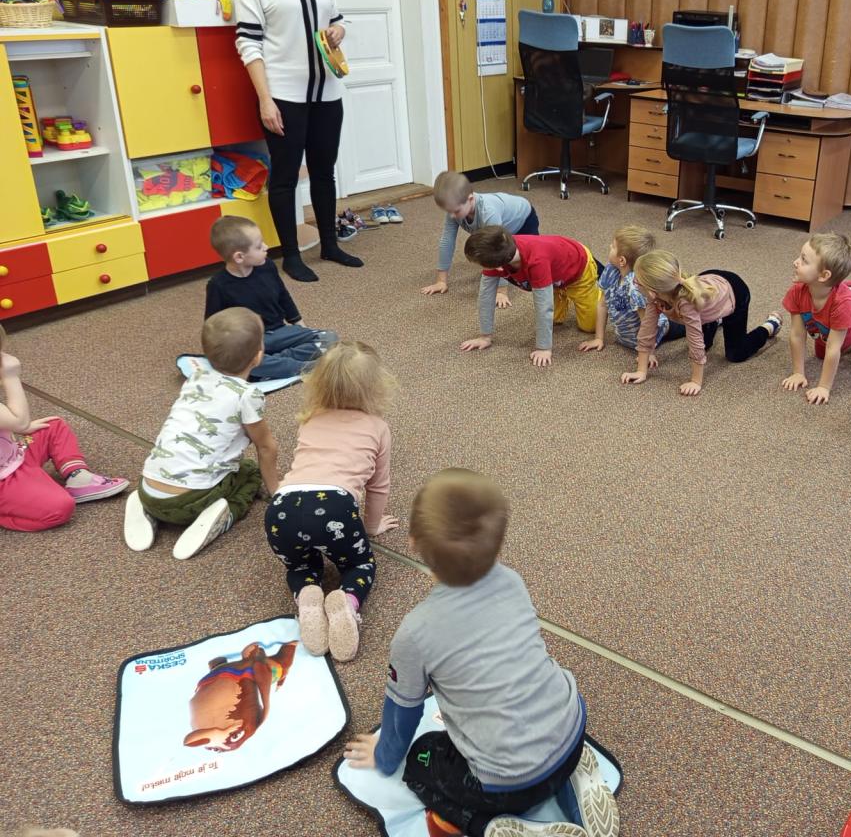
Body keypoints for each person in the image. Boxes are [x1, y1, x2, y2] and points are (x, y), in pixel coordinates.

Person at [343, 469, 619, 837]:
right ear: (499, 546)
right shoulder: (513, 581)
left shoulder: (415, 633)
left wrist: (385, 756)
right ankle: (574, 782)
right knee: (543, 752)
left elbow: (402, 714)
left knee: (421, 760)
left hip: (508, 786)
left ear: (412, 543)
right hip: (571, 733)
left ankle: (491, 826)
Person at [234, 0, 360, 282]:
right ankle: (290, 255)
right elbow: (248, 43)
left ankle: (330, 245)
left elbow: (336, 19)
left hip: (327, 93)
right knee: (286, 176)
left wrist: (339, 30)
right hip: (284, 96)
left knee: (324, 171)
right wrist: (265, 100)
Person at [268, 341, 397, 661]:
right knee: (359, 564)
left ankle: (306, 595)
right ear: (376, 387)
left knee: (300, 565)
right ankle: (348, 600)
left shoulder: (310, 418)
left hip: (282, 507)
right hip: (335, 508)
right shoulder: (378, 427)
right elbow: (378, 486)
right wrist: (372, 526)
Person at [125, 308, 279, 559]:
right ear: (258, 356)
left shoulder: (195, 377)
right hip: (193, 501)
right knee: (250, 471)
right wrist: (276, 491)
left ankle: (146, 509)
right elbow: (265, 446)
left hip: (147, 488)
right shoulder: (247, 395)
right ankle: (224, 514)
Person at [0, 323, 128, 532]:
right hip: (5, 482)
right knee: (61, 508)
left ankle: (78, 477)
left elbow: (16, 422)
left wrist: (19, 426)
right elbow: (19, 421)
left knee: (52, 426)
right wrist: (11, 377)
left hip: (14, 455)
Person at [626, 250, 781, 396]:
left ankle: (770, 325)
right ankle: (714, 319)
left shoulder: (686, 303)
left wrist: (696, 381)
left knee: (736, 354)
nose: (634, 283)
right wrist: (641, 371)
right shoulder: (655, 298)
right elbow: (647, 330)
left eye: (637, 281)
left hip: (735, 291)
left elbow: (695, 342)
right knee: (705, 342)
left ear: (652, 291)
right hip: (708, 290)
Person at [204, 216, 337, 381]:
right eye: (259, 246)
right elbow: (213, 326)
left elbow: (283, 296)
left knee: (329, 337)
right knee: (240, 363)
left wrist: (299, 324)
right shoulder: (218, 285)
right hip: (249, 343)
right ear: (239, 257)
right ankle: (298, 367)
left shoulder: (267, 266)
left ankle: (276, 362)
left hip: (279, 332)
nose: (266, 247)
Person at [461, 227, 601, 368]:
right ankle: (560, 292)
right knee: (554, 320)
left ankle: (600, 293)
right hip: (554, 275)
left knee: (590, 326)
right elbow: (485, 296)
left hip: (578, 268)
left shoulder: (536, 261)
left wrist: (544, 348)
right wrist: (485, 336)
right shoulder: (499, 253)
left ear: (498, 267)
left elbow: (543, 307)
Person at [781, 233, 851, 405]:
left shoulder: (843, 304)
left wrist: (824, 387)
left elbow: (833, 348)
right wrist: (798, 372)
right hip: (834, 303)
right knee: (821, 354)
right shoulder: (797, 291)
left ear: (823, 275)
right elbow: (797, 334)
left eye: (804, 260)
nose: (795, 262)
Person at [422, 171, 540, 308]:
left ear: (470, 199)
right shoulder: (455, 210)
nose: (452, 216)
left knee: (530, 262)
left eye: (456, 211)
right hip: (500, 225)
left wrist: (501, 291)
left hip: (523, 219)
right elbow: (447, 241)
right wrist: (441, 281)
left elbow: (498, 249)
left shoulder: (488, 212)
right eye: (449, 211)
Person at [578, 225, 683, 357]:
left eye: (613, 246)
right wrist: (599, 338)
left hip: (662, 327)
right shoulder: (610, 270)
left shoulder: (636, 288)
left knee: (687, 321)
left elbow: (647, 323)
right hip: (627, 337)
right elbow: (602, 304)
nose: (610, 246)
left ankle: (705, 316)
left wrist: (649, 354)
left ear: (622, 260)